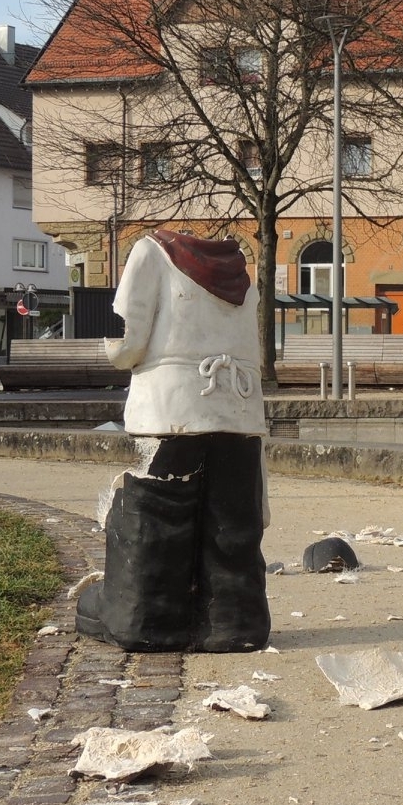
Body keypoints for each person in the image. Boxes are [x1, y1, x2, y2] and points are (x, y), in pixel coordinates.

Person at [75, 229, 270, 652]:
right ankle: (235, 621)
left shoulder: (151, 252)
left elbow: (129, 344)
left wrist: (113, 353)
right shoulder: (241, 271)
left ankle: (145, 618)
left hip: (171, 407)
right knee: (231, 522)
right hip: (238, 409)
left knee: (159, 515)